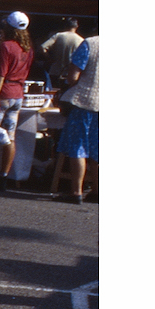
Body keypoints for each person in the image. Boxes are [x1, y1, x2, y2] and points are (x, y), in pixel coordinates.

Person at [0, 10, 33, 192]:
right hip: (18, 94)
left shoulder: (6, 46)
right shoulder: (28, 48)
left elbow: (1, 74)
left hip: (4, 93)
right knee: (10, 137)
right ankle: (3, 175)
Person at [53, 31, 99, 204]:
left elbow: (73, 76)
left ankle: (75, 192)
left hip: (84, 101)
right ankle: (97, 190)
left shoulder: (90, 43)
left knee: (78, 146)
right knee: (98, 149)